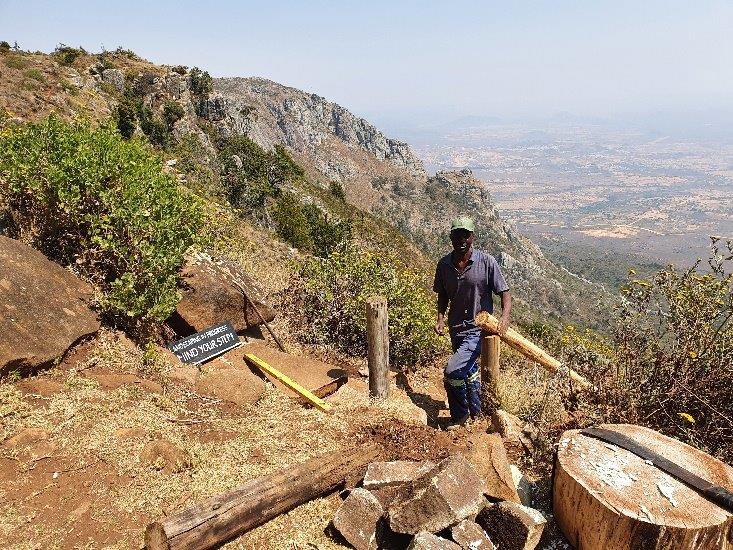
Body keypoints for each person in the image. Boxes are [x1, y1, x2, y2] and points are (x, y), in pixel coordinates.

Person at [433, 216, 511, 430]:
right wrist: (440, 319)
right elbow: (442, 295)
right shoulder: (444, 265)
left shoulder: (487, 262)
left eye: (465, 235)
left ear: (472, 237)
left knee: (452, 370)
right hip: (455, 329)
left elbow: (505, 293)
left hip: (478, 330)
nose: (461, 239)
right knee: (468, 370)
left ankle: (460, 416)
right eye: (457, 234)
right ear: (450, 236)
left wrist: (504, 318)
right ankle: (477, 412)